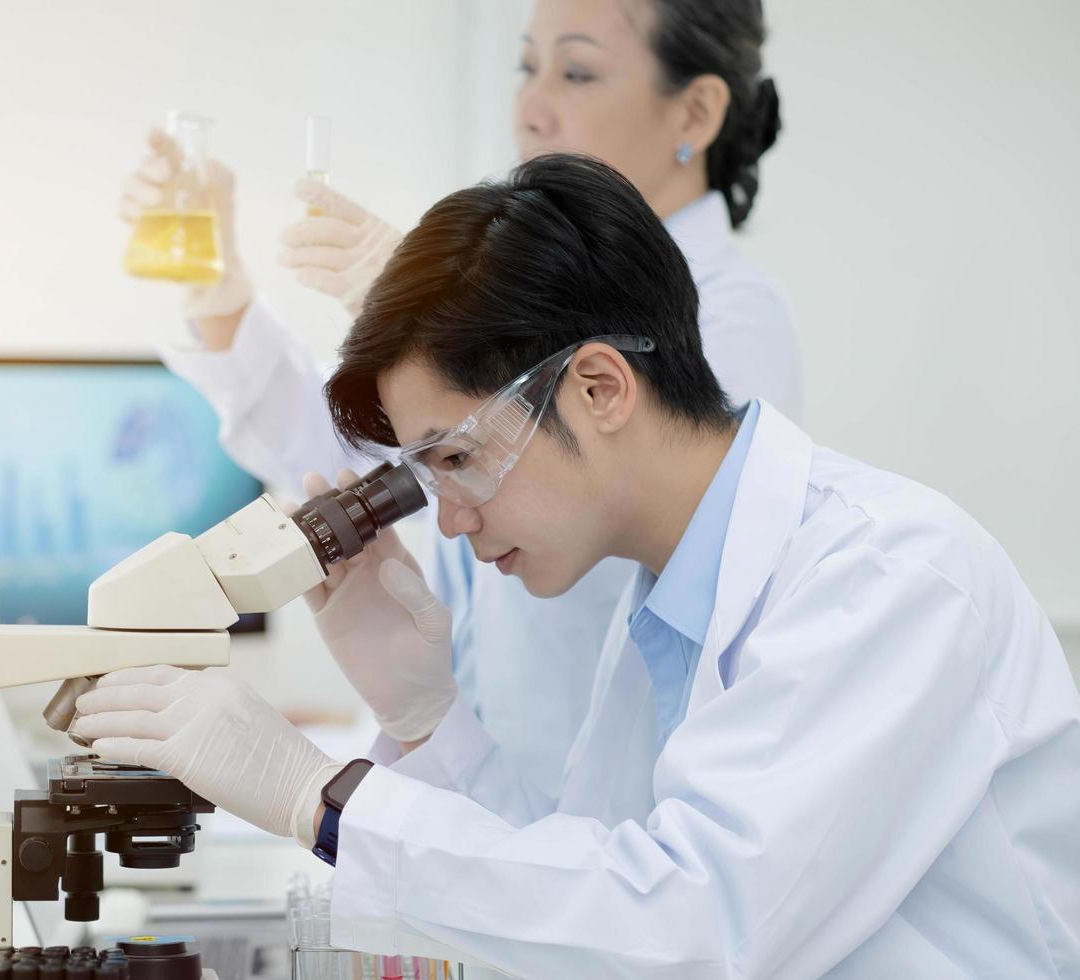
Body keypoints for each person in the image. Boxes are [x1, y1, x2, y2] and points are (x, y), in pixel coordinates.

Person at [78, 154, 1080, 976]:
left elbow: (691, 929)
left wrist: (320, 791)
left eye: (458, 458)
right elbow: (573, 893)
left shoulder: (887, 575)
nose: (453, 520)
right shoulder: (660, 603)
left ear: (599, 387)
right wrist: (427, 723)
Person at [119, 0, 802, 788]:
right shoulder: (541, 321)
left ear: (697, 108)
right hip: (497, 799)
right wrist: (222, 298)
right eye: (526, 66)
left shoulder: (736, 316)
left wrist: (445, 323)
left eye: (577, 71)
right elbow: (361, 461)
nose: (531, 108)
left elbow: (629, 513)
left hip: (591, 809)